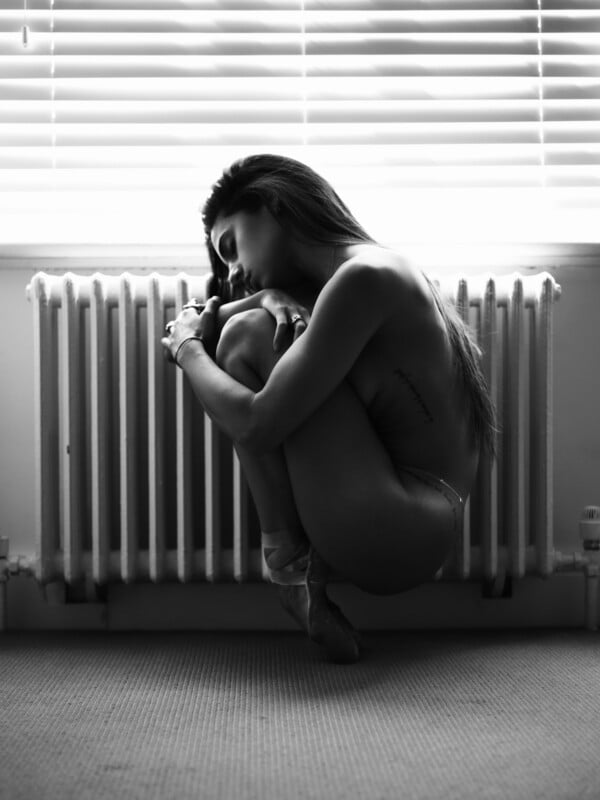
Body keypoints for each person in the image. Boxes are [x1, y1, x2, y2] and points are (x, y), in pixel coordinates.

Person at [162, 153, 499, 664]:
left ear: (272, 205)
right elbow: (210, 314)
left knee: (245, 338)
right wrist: (266, 295)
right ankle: (295, 571)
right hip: (414, 521)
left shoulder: (364, 279)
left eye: (230, 247)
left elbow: (256, 425)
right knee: (248, 328)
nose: (230, 274)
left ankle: (289, 570)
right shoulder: (359, 274)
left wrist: (186, 350)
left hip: (400, 524)